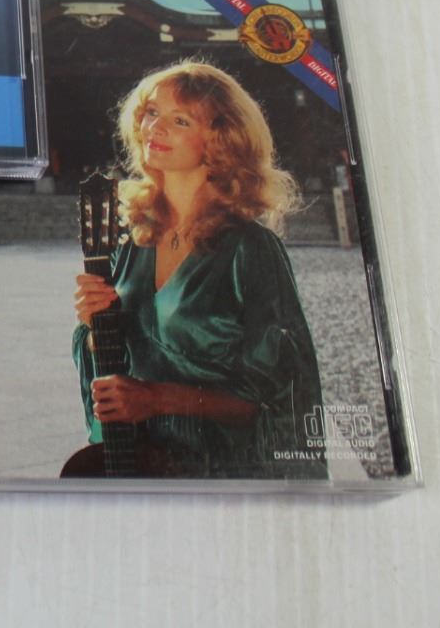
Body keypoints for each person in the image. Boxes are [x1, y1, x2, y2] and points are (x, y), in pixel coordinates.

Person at [68, 62, 326, 479]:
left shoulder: (251, 249)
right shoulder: (132, 243)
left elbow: (284, 395)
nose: (155, 127)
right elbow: (114, 373)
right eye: (152, 112)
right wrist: (96, 329)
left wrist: (160, 398)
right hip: (143, 465)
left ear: (221, 140)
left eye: (180, 120)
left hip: (223, 472)